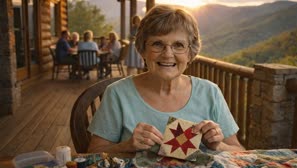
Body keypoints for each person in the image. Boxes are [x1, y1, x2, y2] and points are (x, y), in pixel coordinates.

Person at [87, 5, 244, 153]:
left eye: (178, 45)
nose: (168, 54)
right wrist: (126, 146)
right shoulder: (117, 94)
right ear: (142, 50)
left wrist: (218, 145)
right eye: (157, 44)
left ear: (190, 53)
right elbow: (92, 153)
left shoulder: (211, 93)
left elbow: (241, 152)